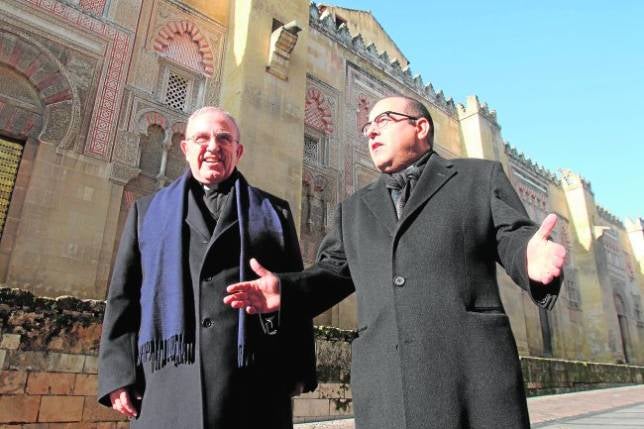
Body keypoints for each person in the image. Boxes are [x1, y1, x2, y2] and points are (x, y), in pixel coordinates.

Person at [224, 96, 567, 429]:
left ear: (420, 127)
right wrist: (284, 290)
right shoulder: (354, 209)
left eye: (383, 121)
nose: (371, 131)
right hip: (388, 383)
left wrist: (528, 258)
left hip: (471, 375)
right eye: (367, 126)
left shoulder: (478, 179)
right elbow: (331, 274)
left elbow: (512, 237)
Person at [98, 106, 316, 429]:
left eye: (224, 138)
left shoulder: (274, 213)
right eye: (202, 138)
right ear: (185, 149)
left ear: (238, 151)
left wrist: (298, 370)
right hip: (166, 385)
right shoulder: (148, 214)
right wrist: (118, 373)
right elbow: (123, 296)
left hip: (253, 390)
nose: (213, 146)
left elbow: (295, 295)